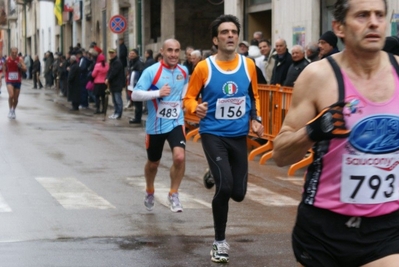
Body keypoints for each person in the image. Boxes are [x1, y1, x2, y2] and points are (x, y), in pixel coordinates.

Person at [272, 0, 399, 266]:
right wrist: (314, 130)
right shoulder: (318, 76)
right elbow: (281, 154)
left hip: (386, 228)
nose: (374, 22)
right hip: (324, 229)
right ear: (339, 27)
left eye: (379, 15)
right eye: (362, 15)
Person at [184, 14, 263, 263]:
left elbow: (254, 95)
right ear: (215, 39)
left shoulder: (248, 65)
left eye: (234, 32)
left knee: (238, 193)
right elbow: (188, 98)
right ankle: (219, 242)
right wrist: (194, 108)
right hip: (213, 133)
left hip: (238, 135)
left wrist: (256, 118)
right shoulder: (204, 67)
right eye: (225, 32)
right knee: (225, 186)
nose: (230, 35)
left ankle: (212, 174)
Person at [131, 38, 188, 213]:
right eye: (170, 50)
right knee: (153, 163)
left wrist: (184, 101)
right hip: (156, 125)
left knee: (179, 157)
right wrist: (157, 93)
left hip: (176, 122)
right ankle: (149, 190)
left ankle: (173, 194)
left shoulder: (183, 71)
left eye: (177, 51)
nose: (173, 54)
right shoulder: (151, 71)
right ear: (162, 51)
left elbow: (185, 87)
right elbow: (135, 95)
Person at [4, 47, 26, 119]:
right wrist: (5, 75)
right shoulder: (7, 59)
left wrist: (20, 67)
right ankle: (10, 110)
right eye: (12, 53)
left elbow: (25, 69)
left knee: (16, 98)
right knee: (11, 95)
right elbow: (4, 67)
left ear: (17, 53)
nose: (14, 54)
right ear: (10, 52)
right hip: (9, 80)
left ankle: (13, 110)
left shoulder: (20, 59)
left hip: (17, 80)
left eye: (15, 53)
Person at [105, 48, 125, 119]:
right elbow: (109, 71)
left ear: (115, 53)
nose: (111, 54)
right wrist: (107, 78)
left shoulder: (117, 62)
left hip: (117, 84)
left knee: (117, 99)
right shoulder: (112, 62)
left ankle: (118, 113)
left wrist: (108, 78)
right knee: (114, 100)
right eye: (110, 53)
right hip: (113, 84)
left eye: (112, 53)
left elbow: (114, 72)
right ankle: (116, 112)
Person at [126, 49, 144, 124]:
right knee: (135, 102)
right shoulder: (131, 62)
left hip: (137, 86)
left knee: (138, 103)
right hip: (131, 86)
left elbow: (140, 74)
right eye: (130, 53)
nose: (131, 55)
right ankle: (136, 117)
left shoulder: (139, 63)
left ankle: (138, 118)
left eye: (133, 53)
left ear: (136, 54)